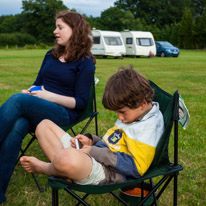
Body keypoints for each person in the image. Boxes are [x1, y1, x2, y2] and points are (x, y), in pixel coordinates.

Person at [0, 11, 95, 204]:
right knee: (18, 125)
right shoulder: (50, 55)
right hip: (39, 106)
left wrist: (48, 96)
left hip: (63, 114)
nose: (55, 31)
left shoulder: (85, 62)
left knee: (18, 101)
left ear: (75, 30)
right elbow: (38, 83)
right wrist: (31, 91)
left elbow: (81, 102)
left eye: (60, 27)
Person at [20, 67, 165, 186]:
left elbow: (135, 168)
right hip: (92, 158)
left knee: (66, 157)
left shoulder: (148, 129)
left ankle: (47, 168)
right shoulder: (135, 114)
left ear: (142, 104)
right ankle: (65, 170)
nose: (119, 118)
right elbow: (114, 142)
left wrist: (94, 152)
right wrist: (92, 140)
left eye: (122, 112)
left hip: (108, 172)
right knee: (44, 126)